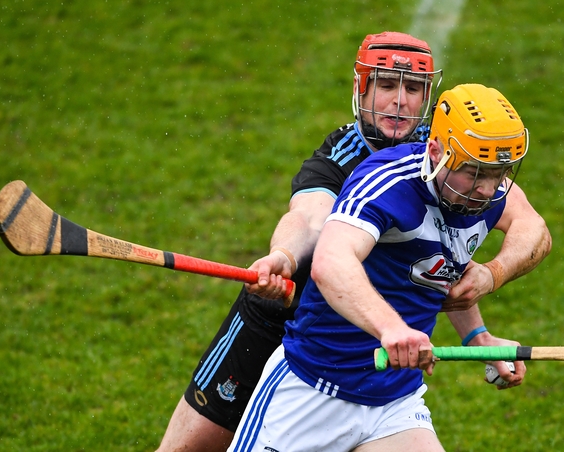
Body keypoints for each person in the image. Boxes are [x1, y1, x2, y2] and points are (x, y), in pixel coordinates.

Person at [157, 31, 446, 452]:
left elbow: (456, 240)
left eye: (413, 88)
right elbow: (308, 219)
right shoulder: (338, 156)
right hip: (278, 317)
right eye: (386, 85)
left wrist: (481, 316)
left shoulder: (438, 156)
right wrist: (283, 256)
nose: (399, 100)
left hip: (356, 341)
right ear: (360, 88)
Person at [227, 83, 548, 452]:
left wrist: (491, 284)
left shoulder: (484, 189)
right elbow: (331, 262)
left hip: (394, 403)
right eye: (475, 172)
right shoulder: (388, 183)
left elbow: (534, 231)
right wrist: (392, 328)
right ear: (436, 152)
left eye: (499, 172)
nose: (488, 190)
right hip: (313, 386)